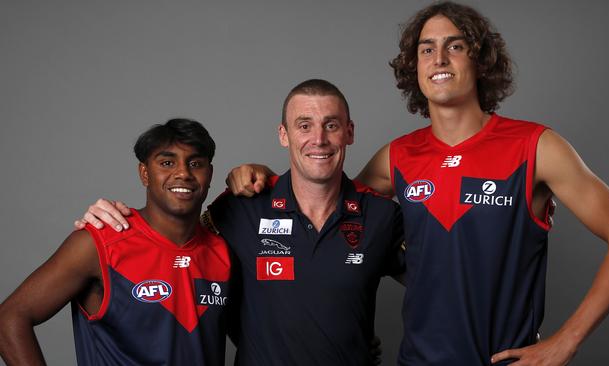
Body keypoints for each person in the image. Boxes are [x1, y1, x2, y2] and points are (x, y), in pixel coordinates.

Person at [213, 2, 609, 365]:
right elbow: (327, 208)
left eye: (454, 46)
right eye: (426, 49)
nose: (438, 60)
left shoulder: (536, 146)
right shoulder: (396, 157)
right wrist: (264, 181)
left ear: (479, 60)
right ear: (413, 66)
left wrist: (567, 340)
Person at [75, 79, 405, 365]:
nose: (318, 139)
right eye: (304, 125)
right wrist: (119, 220)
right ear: (283, 134)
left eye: (331, 125)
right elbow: (176, 244)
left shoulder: (381, 215)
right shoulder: (240, 207)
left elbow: (436, 283)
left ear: (349, 132)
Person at [0, 119, 233, 366]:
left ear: (210, 174)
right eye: (167, 162)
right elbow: (9, 318)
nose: (183, 173)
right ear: (145, 173)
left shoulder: (222, 251)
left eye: (195, 164)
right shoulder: (99, 242)